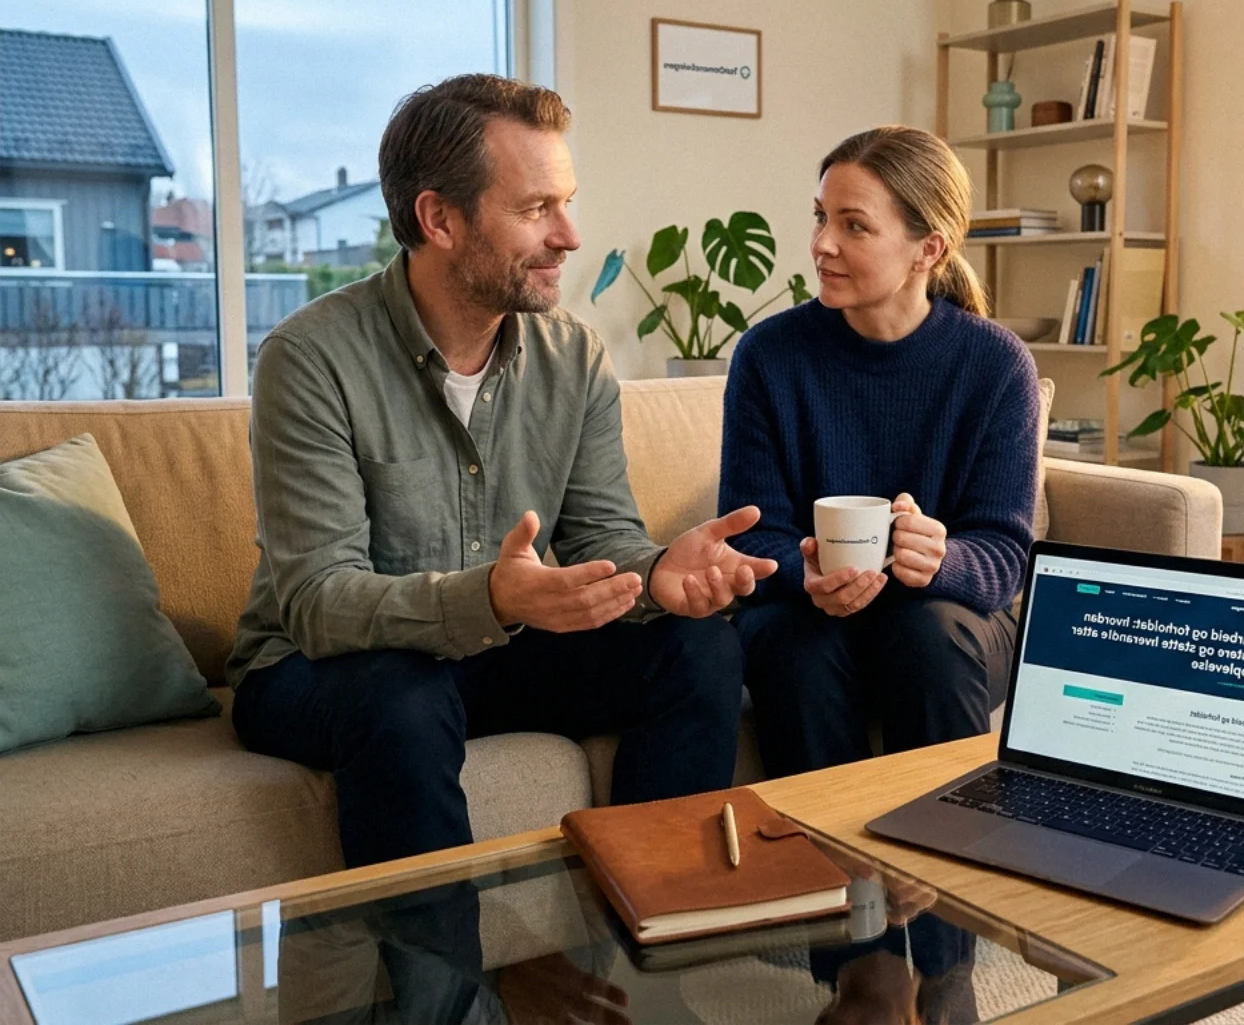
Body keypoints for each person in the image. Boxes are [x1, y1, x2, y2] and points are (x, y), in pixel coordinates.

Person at [228, 73, 777, 876]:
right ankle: (448, 997)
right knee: (399, 693)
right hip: (318, 668)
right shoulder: (311, 359)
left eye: (566, 201)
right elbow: (317, 601)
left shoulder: (572, 354)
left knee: (697, 650)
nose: (569, 234)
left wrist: (658, 573)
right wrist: (486, 596)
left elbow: (599, 534)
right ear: (438, 218)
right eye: (535, 209)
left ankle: (652, 932)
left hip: (499, 645)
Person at [719, 125, 1039, 781]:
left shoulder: (996, 365)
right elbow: (752, 538)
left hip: (945, 619)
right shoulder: (769, 357)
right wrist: (805, 576)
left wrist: (943, 558)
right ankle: (826, 868)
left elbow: (1006, 553)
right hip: (805, 610)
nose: (822, 244)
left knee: (926, 634)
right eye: (820, 217)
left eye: (853, 226)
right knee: (793, 647)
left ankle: (946, 862)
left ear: (929, 248)